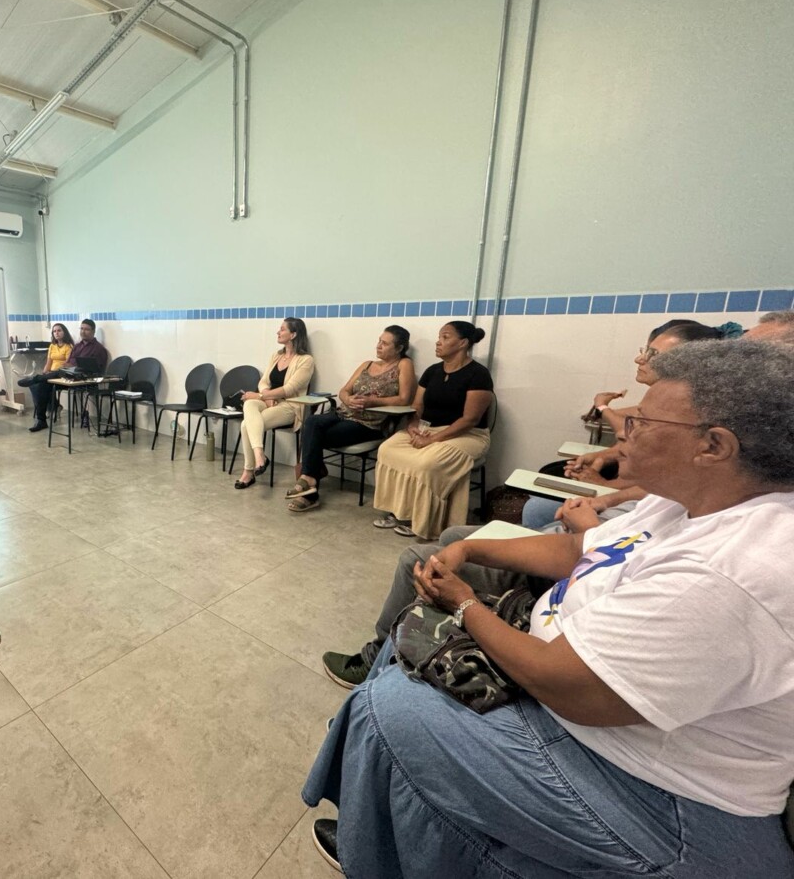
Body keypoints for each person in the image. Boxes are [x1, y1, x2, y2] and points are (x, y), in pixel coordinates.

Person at [303, 339, 794, 878]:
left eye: (642, 423)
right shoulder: (685, 501)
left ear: (714, 446)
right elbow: (580, 548)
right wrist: (472, 549)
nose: (624, 432)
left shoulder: (732, 571)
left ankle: (373, 843)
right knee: (415, 632)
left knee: (391, 704)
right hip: (588, 699)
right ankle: (368, 804)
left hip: (654, 793)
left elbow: (566, 686)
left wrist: (466, 605)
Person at [521, 320, 725, 531]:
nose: (639, 359)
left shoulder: (692, 416)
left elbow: (660, 477)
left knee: (538, 509)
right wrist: (601, 457)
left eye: (653, 354)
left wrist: (604, 488)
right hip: (629, 499)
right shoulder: (660, 402)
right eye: (645, 351)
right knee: (544, 491)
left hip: (633, 506)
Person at [371, 321, 493, 538]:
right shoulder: (432, 371)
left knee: (426, 462)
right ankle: (399, 512)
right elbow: (417, 407)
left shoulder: (478, 374)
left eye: (445, 337)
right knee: (387, 449)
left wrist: (432, 440)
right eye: (439, 337)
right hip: (428, 428)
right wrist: (413, 427)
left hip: (468, 435)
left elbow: (470, 419)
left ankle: (423, 521)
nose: (438, 342)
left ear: (463, 343)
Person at [285, 326, 415, 511]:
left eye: (385, 343)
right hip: (343, 413)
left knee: (313, 436)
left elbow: (404, 399)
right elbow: (344, 390)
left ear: (399, 348)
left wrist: (372, 402)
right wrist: (347, 399)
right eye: (379, 341)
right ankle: (310, 479)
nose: (378, 345)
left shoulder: (403, 364)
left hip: (368, 423)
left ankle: (309, 489)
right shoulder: (367, 364)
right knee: (312, 422)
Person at [233, 318, 315, 489]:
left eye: (282, 329)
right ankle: (260, 456)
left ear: (293, 334)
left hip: (289, 406)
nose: (278, 332)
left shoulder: (306, 360)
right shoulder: (276, 356)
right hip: (269, 401)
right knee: (249, 404)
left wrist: (261, 395)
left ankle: (248, 471)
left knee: (246, 425)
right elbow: (263, 381)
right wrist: (266, 396)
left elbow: (290, 389)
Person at [18, 318, 109, 433]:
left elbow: (98, 369)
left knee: (54, 374)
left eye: (87, 329)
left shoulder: (99, 349)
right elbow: (68, 363)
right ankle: (41, 420)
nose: (83, 331)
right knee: (42, 385)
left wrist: (76, 367)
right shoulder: (77, 346)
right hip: (70, 375)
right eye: (81, 328)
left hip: (84, 378)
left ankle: (36, 378)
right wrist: (69, 366)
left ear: (93, 331)